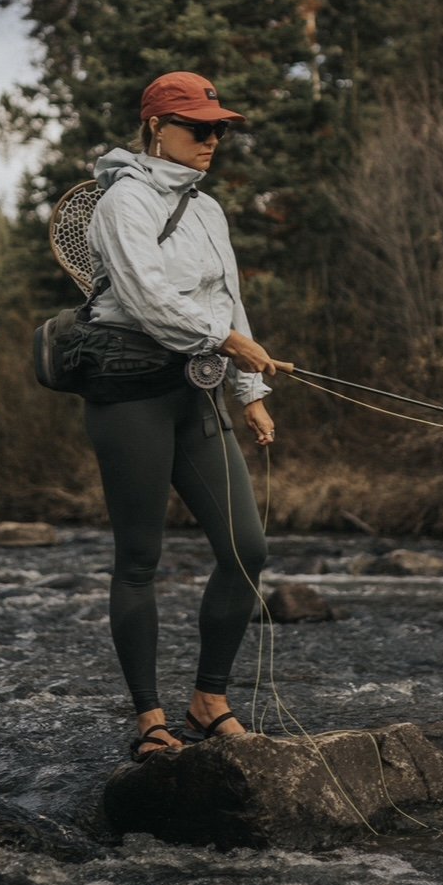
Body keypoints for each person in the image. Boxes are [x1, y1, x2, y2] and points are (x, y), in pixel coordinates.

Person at [84, 70, 281, 761]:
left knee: (246, 549)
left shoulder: (209, 210)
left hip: (194, 391)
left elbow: (229, 303)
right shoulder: (122, 202)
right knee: (139, 559)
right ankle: (149, 718)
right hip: (129, 396)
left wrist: (250, 394)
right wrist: (230, 343)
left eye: (218, 128)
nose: (212, 139)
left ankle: (208, 699)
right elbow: (146, 298)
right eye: (199, 128)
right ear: (156, 128)